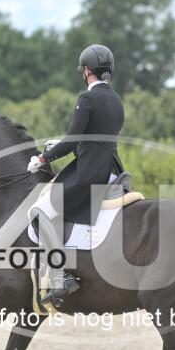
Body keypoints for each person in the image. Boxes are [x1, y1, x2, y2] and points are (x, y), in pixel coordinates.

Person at [28, 44, 124, 306]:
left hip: (89, 173)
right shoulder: (116, 100)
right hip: (112, 170)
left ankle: (62, 274)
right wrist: (63, 145)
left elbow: (73, 138)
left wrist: (43, 158)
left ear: (86, 70)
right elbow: (93, 138)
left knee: (42, 211)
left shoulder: (87, 99)